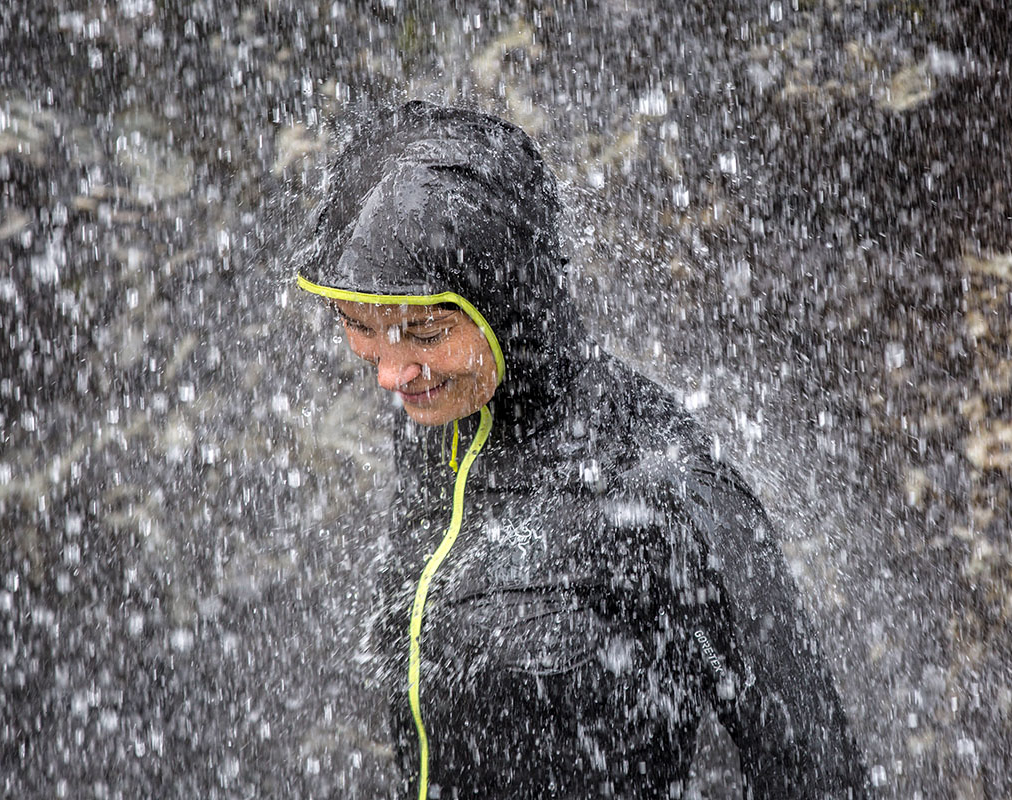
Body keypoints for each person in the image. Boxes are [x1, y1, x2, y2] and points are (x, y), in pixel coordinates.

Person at [294, 100, 867, 799]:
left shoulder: (663, 483)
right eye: (358, 325)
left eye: (421, 333)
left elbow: (814, 769)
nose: (388, 373)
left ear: (505, 301)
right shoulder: (443, 420)